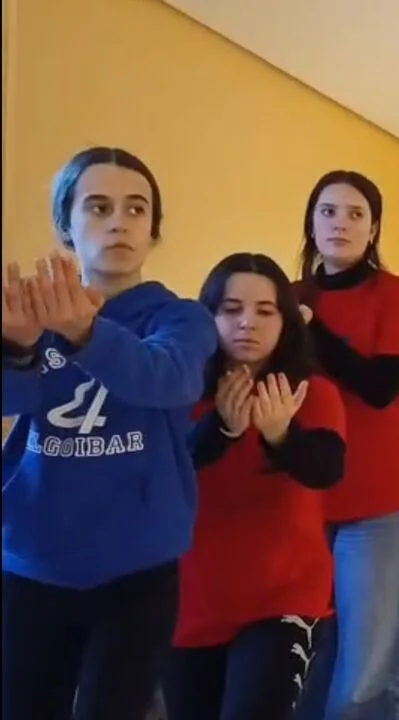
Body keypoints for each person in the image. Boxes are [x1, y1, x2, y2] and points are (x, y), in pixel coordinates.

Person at [0, 147, 218, 720]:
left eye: (136, 209)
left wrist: (84, 332)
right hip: (31, 561)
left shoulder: (182, 318)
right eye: (98, 207)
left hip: (137, 572)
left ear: (153, 230)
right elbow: (12, 402)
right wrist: (17, 348)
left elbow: (167, 379)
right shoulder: (32, 312)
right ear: (64, 225)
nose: (119, 221)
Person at [164, 253, 346, 719]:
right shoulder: (181, 390)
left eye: (266, 311)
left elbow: (326, 469)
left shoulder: (312, 393)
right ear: (208, 317)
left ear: (286, 321)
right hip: (194, 599)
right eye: (231, 309)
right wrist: (223, 428)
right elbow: (169, 469)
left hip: (285, 597)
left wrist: (281, 436)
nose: (248, 322)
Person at [291, 171, 399, 720]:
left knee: (365, 669)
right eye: (328, 211)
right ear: (311, 223)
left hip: (380, 499)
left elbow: (380, 387)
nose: (340, 224)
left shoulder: (397, 294)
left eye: (355, 214)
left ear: (373, 230)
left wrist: (311, 330)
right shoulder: (291, 297)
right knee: (306, 659)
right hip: (302, 496)